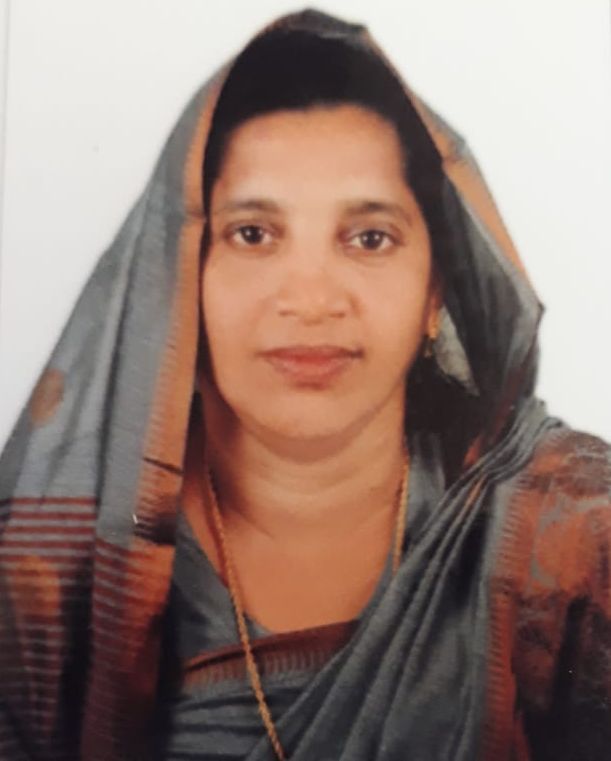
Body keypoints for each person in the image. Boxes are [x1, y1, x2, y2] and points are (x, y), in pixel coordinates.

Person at [0, 8, 609, 761]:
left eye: (369, 237)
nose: (312, 299)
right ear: (178, 279)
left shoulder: (573, 534)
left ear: (436, 293)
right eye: (253, 234)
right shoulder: (52, 566)